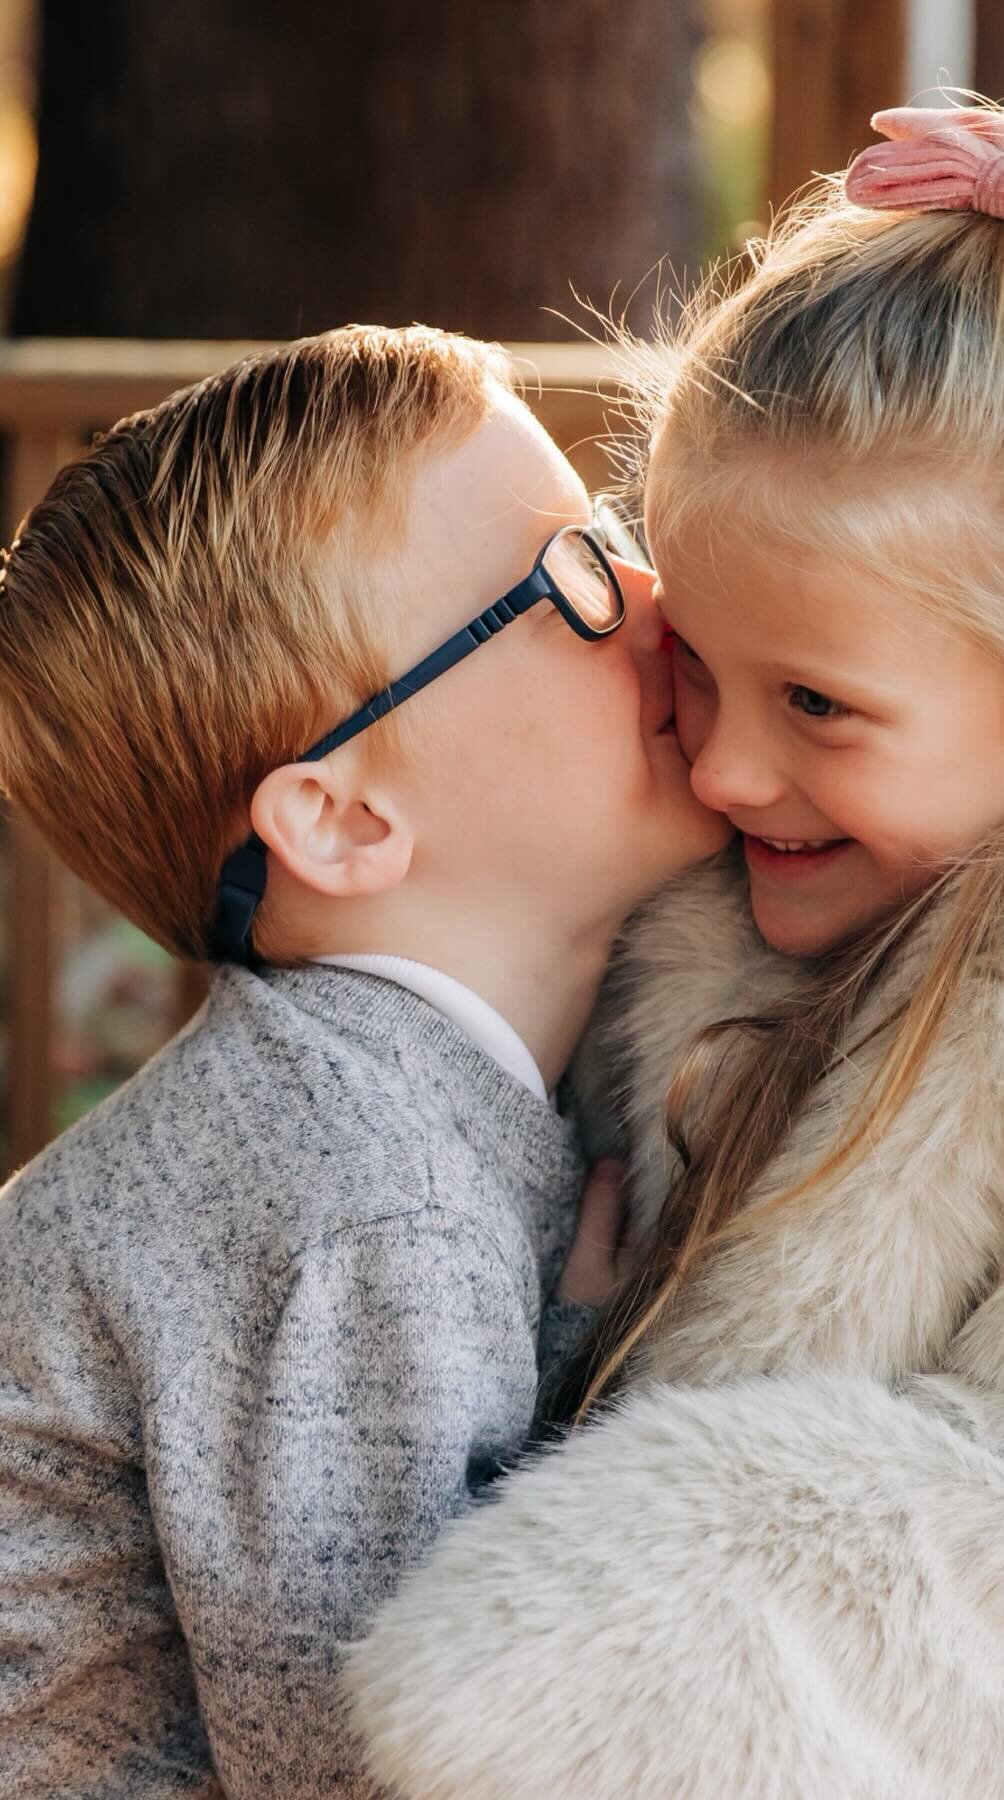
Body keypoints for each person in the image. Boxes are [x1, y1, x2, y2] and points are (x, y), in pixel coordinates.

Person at [347, 107, 1004, 1800]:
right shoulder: (707, 906)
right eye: (699, 668)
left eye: (819, 704)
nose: (724, 768)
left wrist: (593, 1625)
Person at [0, 324, 725, 1797]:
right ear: (338, 822)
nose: (651, 591)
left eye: (614, 531)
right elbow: (373, 1765)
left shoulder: (392, 1102)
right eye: (570, 579)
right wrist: (594, 1373)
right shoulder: (345, 1191)